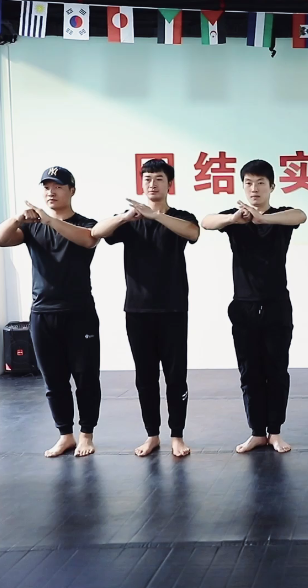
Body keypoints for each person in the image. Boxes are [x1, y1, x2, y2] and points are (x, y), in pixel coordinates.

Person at [91, 159, 200, 458]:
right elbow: (96, 232)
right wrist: (127, 216)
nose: (152, 184)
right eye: (148, 178)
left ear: (169, 184)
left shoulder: (180, 217)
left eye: (159, 179)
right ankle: (152, 434)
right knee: (145, 377)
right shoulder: (131, 221)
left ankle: (177, 435)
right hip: (138, 311)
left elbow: (193, 233)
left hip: (173, 309)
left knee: (176, 376)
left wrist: (156, 216)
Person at [0, 166, 101, 458]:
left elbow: (88, 239)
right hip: (42, 313)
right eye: (47, 187)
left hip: (79, 313)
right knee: (53, 379)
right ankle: (65, 435)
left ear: (72, 190)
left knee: (86, 377)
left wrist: (50, 220)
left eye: (58, 187)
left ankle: (86, 434)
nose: (51, 192)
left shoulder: (86, 223)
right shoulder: (32, 227)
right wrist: (18, 218)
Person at [201, 160, 307, 454]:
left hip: (276, 305)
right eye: (248, 183)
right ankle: (257, 432)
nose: (254, 188)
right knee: (249, 372)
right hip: (243, 307)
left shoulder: (281, 216)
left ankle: (275, 432)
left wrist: (264, 219)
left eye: (260, 183)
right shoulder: (236, 219)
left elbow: (301, 215)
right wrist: (234, 219)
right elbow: (206, 221)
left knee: (277, 370)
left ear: (272, 186)